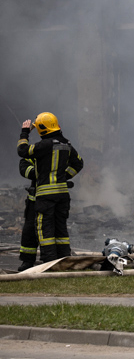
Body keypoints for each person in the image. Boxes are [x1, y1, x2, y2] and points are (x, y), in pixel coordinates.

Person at [17, 112, 83, 263]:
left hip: (45, 196)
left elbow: (22, 151)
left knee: (44, 229)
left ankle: (49, 261)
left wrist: (24, 133)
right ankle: (64, 259)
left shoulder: (42, 146)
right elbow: (79, 163)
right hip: (62, 195)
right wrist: (64, 176)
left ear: (41, 129)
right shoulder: (67, 145)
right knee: (61, 229)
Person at [16, 172, 38, 271]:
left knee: (50, 231)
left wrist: (63, 176)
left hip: (52, 202)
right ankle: (27, 261)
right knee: (29, 231)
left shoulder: (59, 156)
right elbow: (24, 168)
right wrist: (37, 173)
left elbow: (77, 163)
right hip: (34, 201)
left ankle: (51, 261)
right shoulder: (33, 156)